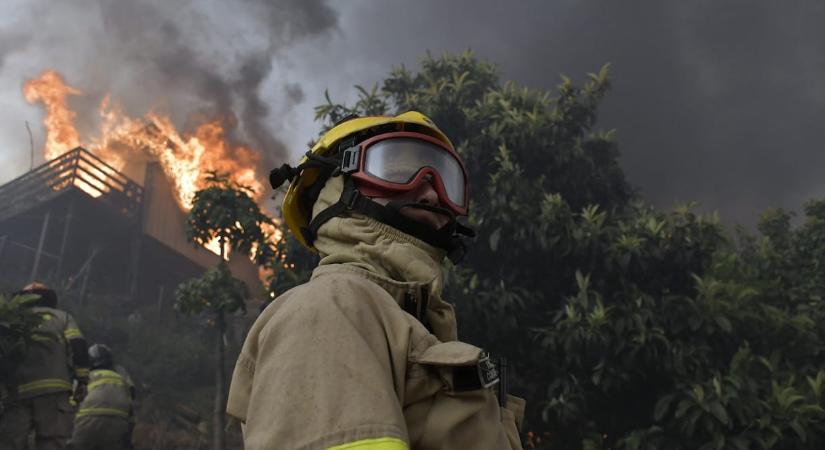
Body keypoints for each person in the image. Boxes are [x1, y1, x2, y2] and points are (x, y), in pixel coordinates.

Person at [228, 111, 525, 449]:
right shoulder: (330, 308)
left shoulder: (407, 323)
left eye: (444, 180)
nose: (430, 194)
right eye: (397, 172)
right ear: (339, 185)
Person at [0, 282, 90, 450]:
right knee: (51, 443)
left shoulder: (12, 320)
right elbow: (78, 346)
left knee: (9, 443)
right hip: (54, 394)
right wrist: (83, 380)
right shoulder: (63, 317)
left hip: (17, 394)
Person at [69, 343, 136, 450]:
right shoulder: (122, 378)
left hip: (85, 424)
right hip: (117, 425)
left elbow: (71, 402)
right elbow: (131, 400)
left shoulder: (84, 378)